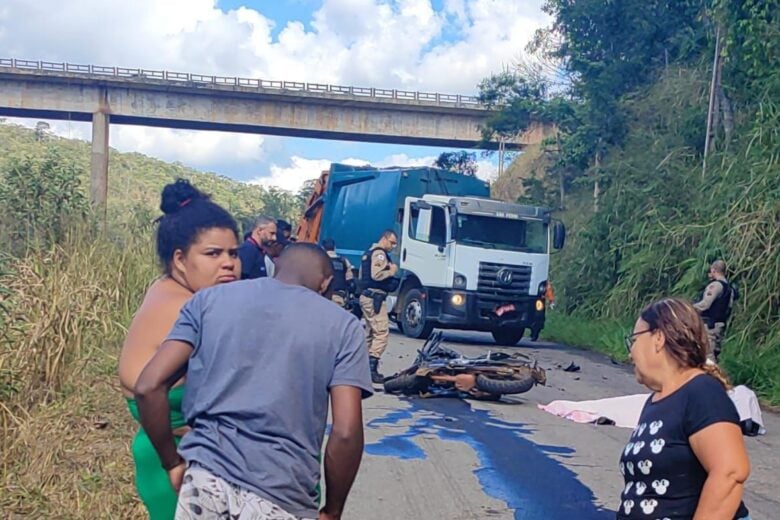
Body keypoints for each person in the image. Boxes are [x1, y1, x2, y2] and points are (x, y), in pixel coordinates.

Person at [134, 242, 373, 520]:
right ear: (325, 284)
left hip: (206, 480)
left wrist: (172, 463)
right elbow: (345, 433)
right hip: (283, 494)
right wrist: (333, 510)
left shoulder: (208, 301)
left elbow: (148, 386)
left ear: (277, 268)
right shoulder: (344, 327)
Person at [118, 178, 240, 520]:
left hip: (160, 452)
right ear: (180, 258)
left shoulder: (164, 288)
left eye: (233, 252)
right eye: (213, 254)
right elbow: (148, 388)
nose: (228, 263)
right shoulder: (196, 310)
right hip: (180, 461)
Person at [619, 297, 750, 520]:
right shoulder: (657, 401)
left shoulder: (701, 391)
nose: (630, 352)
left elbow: (729, 472)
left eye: (634, 340)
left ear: (658, 338)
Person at [358, 230, 399, 384]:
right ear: (384, 238)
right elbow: (376, 275)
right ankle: (371, 369)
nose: (393, 246)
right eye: (392, 242)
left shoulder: (368, 253)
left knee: (370, 333)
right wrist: (391, 271)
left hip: (368, 296)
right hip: (373, 298)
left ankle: (361, 367)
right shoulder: (379, 254)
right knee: (381, 332)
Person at [694, 260, 735, 362]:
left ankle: (711, 377)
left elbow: (705, 305)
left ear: (713, 270)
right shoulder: (730, 289)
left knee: (708, 356)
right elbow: (729, 308)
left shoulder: (715, 286)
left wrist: (688, 308)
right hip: (720, 325)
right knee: (715, 355)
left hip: (710, 325)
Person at [322, 238, 355, 308]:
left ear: (323, 248)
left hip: (323, 297)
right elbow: (351, 282)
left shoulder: (320, 261)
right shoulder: (343, 261)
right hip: (338, 297)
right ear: (334, 248)